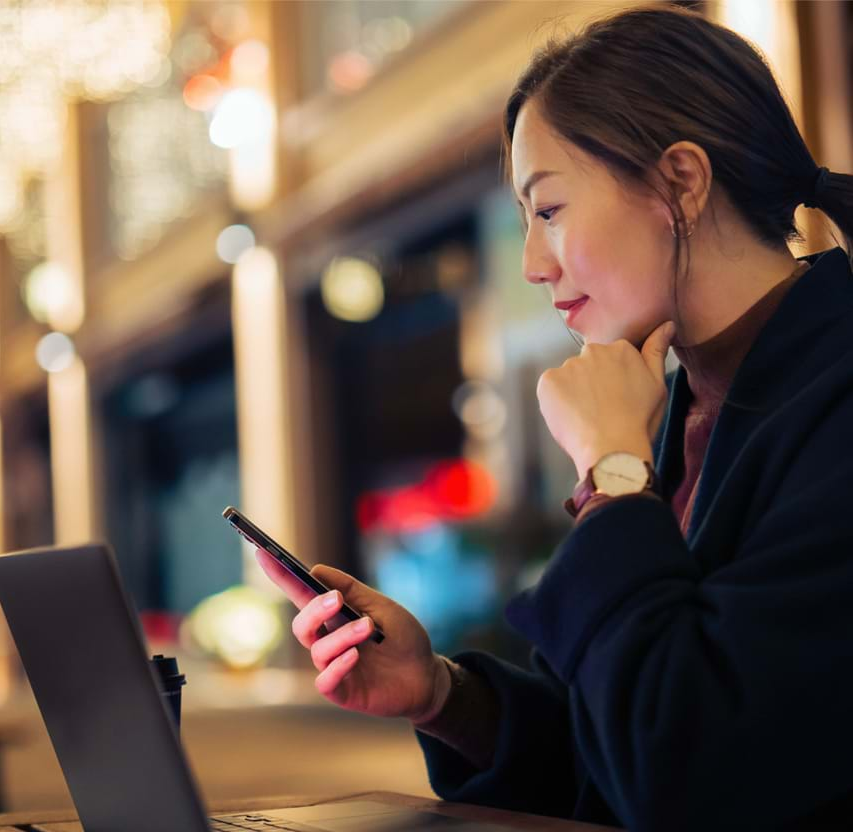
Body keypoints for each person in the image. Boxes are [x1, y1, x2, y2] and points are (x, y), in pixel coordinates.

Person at [255, 5, 853, 830]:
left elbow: (690, 774)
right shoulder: (686, 406)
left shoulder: (832, 390)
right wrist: (441, 693)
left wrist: (614, 472)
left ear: (681, 181)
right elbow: (610, 748)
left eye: (550, 210)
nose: (534, 265)